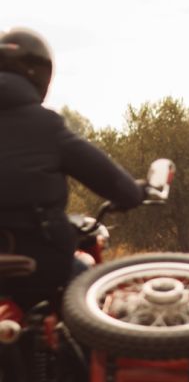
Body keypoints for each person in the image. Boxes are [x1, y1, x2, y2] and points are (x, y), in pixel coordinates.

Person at [0, 28, 145, 310]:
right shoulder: (46, 126)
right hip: (38, 264)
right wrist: (134, 193)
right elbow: (115, 183)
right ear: (40, 75)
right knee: (97, 298)